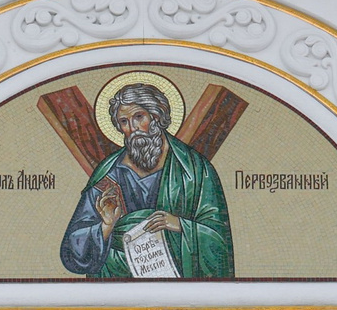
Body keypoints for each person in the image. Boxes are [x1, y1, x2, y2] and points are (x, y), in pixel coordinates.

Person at [58, 82, 234, 278]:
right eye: (124, 121)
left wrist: (179, 225)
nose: (133, 128)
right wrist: (105, 226)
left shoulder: (194, 169)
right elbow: (72, 249)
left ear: (156, 116)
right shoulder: (109, 174)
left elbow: (219, 238)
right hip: (117, 280)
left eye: (138, 117)